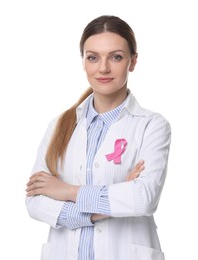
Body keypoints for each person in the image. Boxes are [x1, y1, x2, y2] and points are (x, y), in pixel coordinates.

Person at [25, 15, 171, 260]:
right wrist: (100, 210)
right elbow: (35, 201)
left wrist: (66, 191)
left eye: (116, 57)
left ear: (132, 62)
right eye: (93, 57)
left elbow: (143, 198)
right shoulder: (59, 125)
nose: (103, 68)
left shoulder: (152, 126)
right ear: (83, 61)